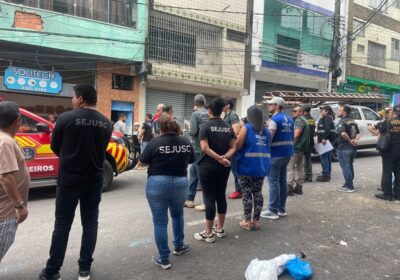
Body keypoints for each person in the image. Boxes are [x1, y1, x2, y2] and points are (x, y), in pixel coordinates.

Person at [39, 84, 112, 280]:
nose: (72, 100)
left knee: (62, 224)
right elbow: (101, 149)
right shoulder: (107, 123)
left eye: (73, 96)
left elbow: (56, 147)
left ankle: (52, 271)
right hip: (94, 180)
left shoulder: (65, 118)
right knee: (90, 223)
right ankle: (84, 270)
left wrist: (70, 157)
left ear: (80, 99)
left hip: (69, 180)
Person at [137, 113, 195, 269]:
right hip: (180, 183)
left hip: (157, 183)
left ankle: (164, 259)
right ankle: (179, 245)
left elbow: (142, 162)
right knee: (177, 215)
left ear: (159, 127)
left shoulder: (155, 142)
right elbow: (192, 160)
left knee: (160, 222)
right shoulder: (185, 141)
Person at [194, 97, 236, 243]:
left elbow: (204, 148)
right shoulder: (228, 126)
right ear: (222, 110)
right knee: (220, 195)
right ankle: (220, 229)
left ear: (209, 110)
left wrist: (218, 158)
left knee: (209, 197)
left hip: (207, 166)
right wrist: (225, 158)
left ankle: (208, 233)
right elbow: (233, 147)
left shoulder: (205, 127)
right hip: (224, 166)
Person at [0, 101, 29, 263]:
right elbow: (6, 177)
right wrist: (19, 205)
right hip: (5, 213)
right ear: (17, 120)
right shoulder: (6, 142)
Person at [235, 105, 271, 230]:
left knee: (246, 193)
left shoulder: (247, 128)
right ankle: (256, 221)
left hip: (247, 166)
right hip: (261, 166)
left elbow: (238, 145)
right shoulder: (266, 130)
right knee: (257, 193)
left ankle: (247, 221)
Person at [260, 97, 294, 220]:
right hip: (287, 153)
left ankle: (272, 210)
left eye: (271, 104)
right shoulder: (289, 119)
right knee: (282, 181)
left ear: (277, 106)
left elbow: (270, 138)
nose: (269, 106)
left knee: (273, 182)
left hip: (275, 154)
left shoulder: (274, 120)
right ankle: (281, 209)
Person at [185, 94, 209, 211]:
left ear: (195, 103)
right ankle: (190, 199)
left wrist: (189, 128)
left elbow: (194, 131)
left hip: (198, 148)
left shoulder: (195, 114)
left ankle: (206, 202)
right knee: (193, 172)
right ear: (204, 103)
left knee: (200, 175)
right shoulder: (208, 113)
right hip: (207, 147)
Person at [373, 105, 400, 201]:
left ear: (394, 112)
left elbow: (378, 131)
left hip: (389, 151)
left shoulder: (388, 122)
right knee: (398, 172)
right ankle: (398, 194)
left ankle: (387, 194)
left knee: (387, 172)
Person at [336, 105, 360, 193]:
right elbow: (358, 133)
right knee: (349, 166)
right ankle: (348, 183)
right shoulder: (352, 121)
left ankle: (349, 186)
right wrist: (355, 140)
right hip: (352, 148)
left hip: (344, 147)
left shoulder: (342, 121)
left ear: (344, 112)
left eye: (339, 110)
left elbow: (342, 133)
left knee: (346, 167)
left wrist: (350, 141)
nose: (338, 112)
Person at [288, 106, 310, 195]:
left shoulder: (299, 120)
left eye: (295, 111)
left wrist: (290, 144)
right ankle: (299, 187)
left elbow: (296, 134)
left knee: (290, 167)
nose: (293, 112)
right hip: (302, 148)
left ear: (301, 112)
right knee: (300, 167)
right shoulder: (304, 120)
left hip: (296, 147)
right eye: (293, 110)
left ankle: (289, 188)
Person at [223, 98, 241, 199]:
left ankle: (239, 190)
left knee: (235, 169)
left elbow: (236, 131)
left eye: (223, 104)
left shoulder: (233, 115)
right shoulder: (226, 116)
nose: (222, 106)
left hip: (232, 147)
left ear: (228, 105)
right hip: (227, 147)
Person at [316, 105, 336, 182]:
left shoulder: (328, 118)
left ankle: (326, 175)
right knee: (327, 157)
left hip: (326, 141)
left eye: (322, 110)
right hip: (326, 140)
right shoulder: (327, 118)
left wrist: (324, 138)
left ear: (327, 111)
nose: (321, 111)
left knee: (324, 157)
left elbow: (326, 129)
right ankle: (327, 174)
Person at [303, 105, 316, 182]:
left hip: (304, 141)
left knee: (304, 159)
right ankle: (310, 176)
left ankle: (305, 176)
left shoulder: (302, 119)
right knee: (308, 159)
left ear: (304, 110)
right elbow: (313, 131)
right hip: (311, 141)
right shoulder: (312, 119)